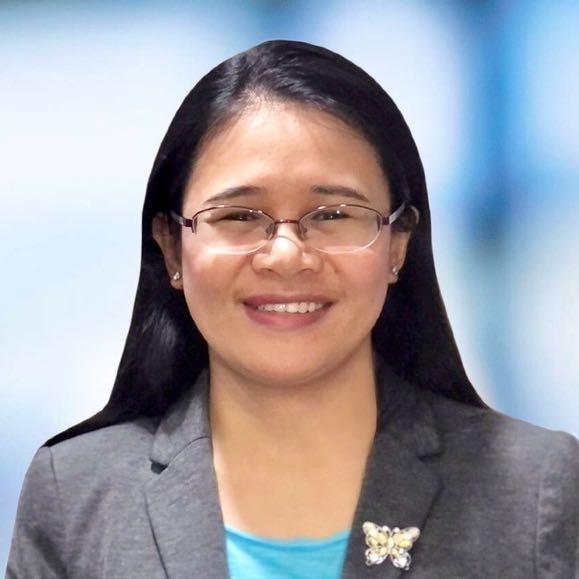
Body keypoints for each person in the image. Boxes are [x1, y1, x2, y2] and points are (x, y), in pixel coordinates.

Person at [6, 39, 578, 579]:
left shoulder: (533, 488)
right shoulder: (75, 492)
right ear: (172, 247)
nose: (285, 256)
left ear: (397, 245)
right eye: (238, 216)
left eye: (333, 215)